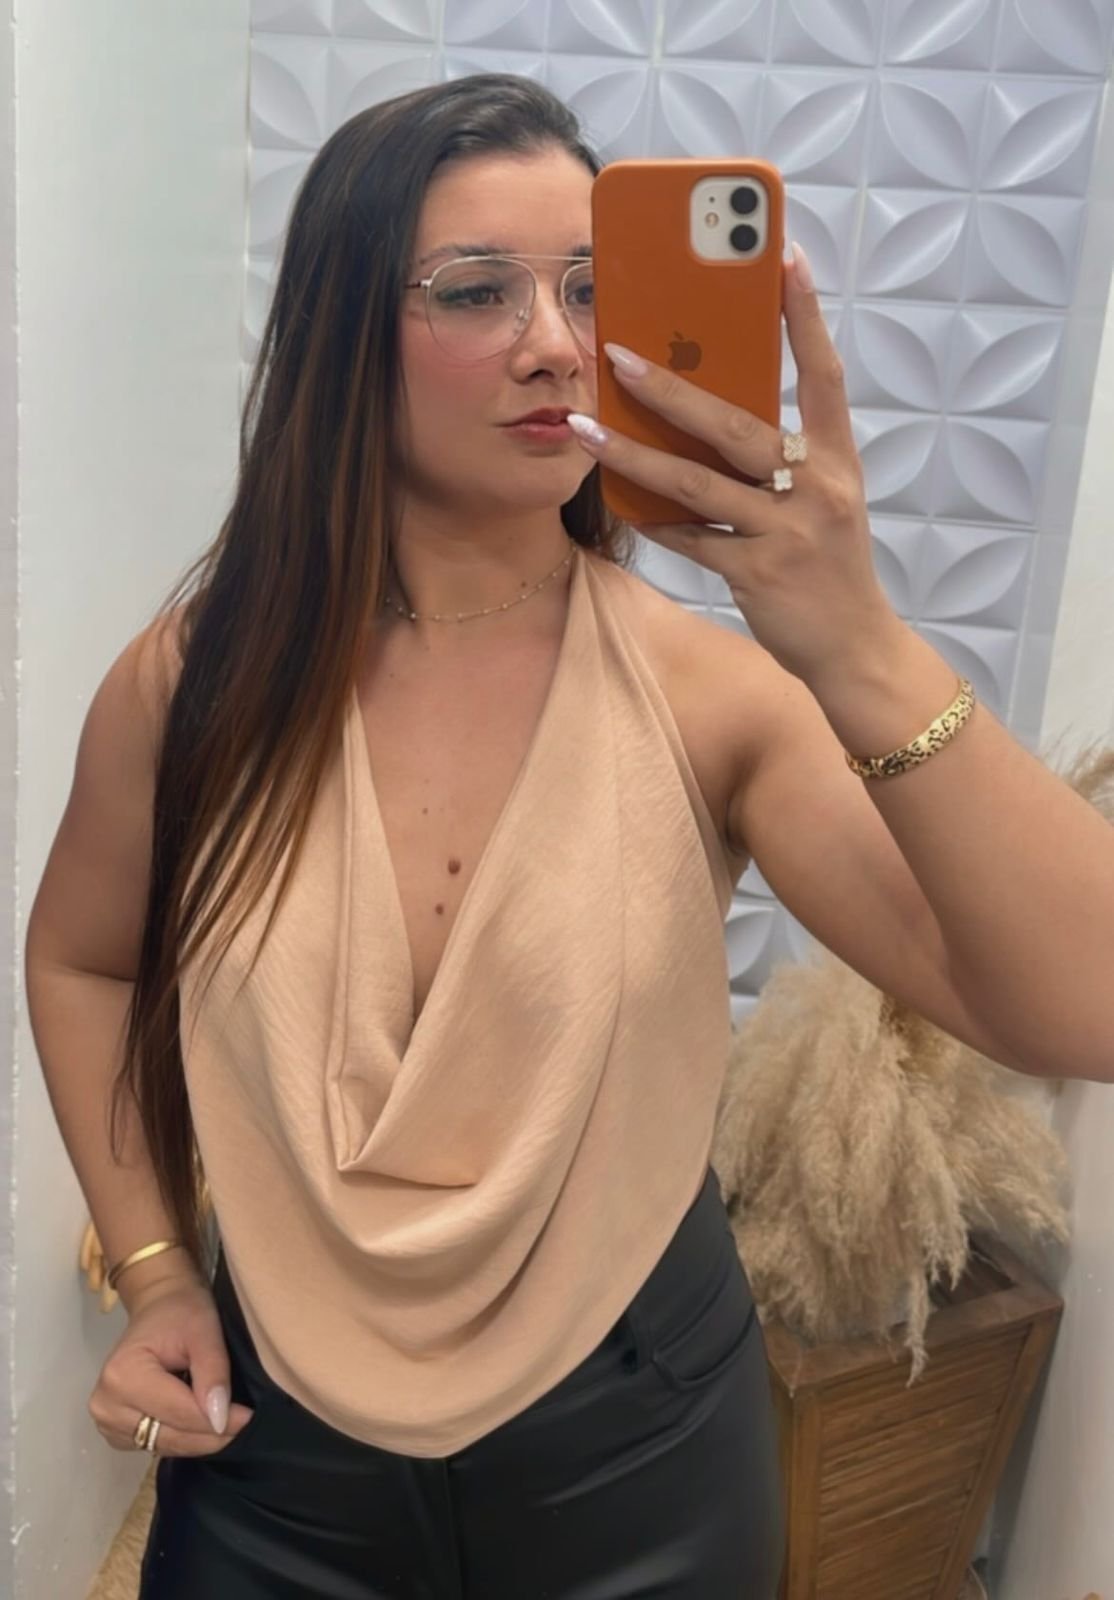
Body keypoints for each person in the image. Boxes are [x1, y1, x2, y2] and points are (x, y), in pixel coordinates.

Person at [23, 70, 1114, 1600]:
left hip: (638, 1455)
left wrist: (860, 645)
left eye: (593, 289)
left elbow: (1084, 1006)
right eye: (477, 289)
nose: (554, 341)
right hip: (273, 1458)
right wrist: (151, 1272)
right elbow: (80, 961)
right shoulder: (198, 680)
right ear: (341, 335)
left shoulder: (708, 699)